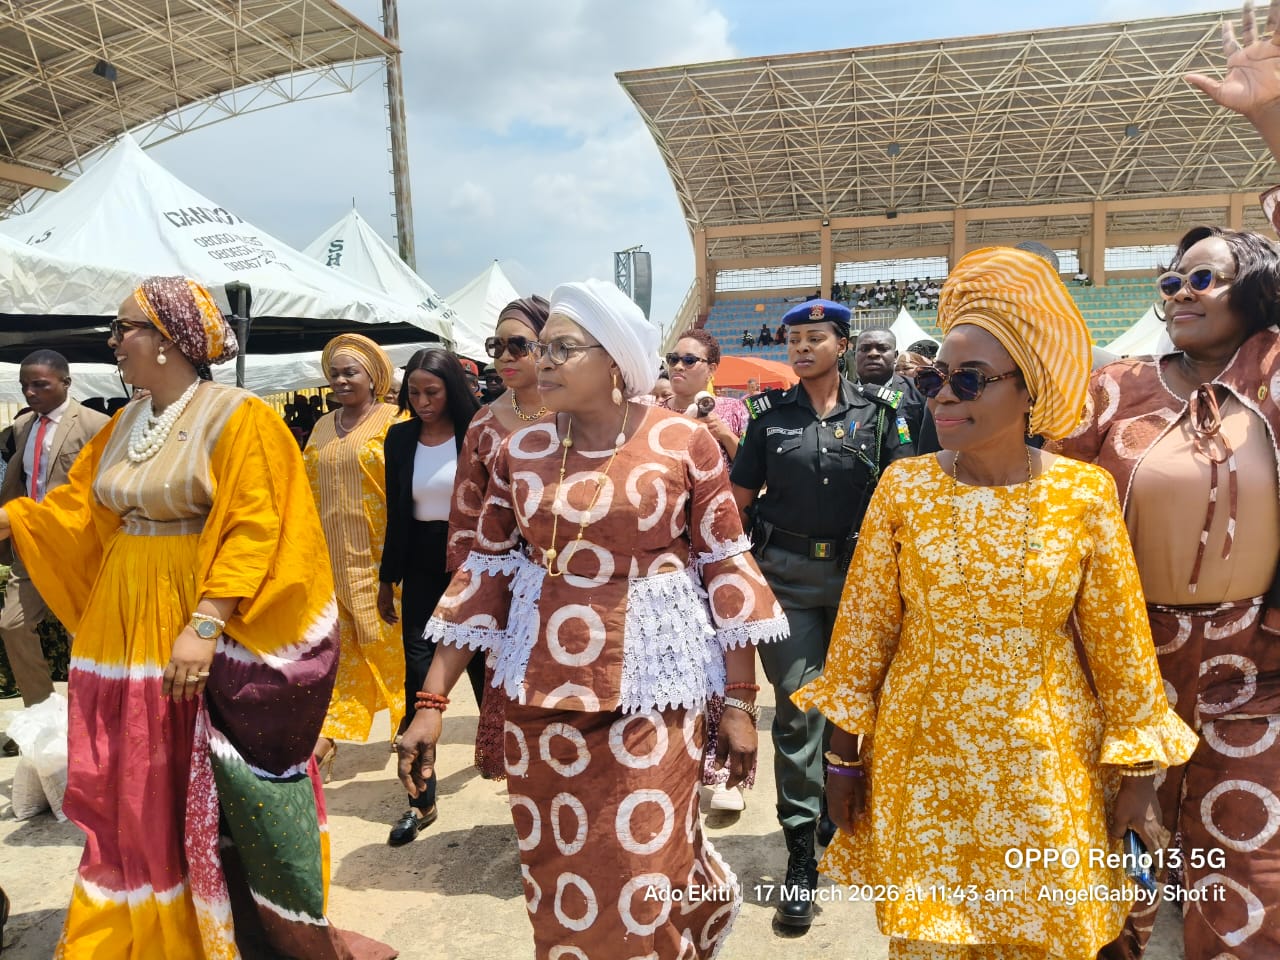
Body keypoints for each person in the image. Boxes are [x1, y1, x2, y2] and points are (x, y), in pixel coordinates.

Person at [795, 247, 1197, 960]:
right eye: (935, 379)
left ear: (1029, 390)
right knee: (934, 940)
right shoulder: (905, 490)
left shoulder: (1082, 494)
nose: (943, 397)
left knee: (1048, 936)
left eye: (970, 380)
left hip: (1046, 760)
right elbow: (863, 636)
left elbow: (1119, 643)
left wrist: (1139, 779)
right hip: (923, 760)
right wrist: (844, 761)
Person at [0, 277, 395, 959]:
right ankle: (152, 908)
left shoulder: (239, 416)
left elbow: (257, 524)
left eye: (125, 328)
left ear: (167, 340)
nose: (115, 342)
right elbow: (81, 509)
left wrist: (207, 622)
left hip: (194, 611)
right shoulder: (127, 421)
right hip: (121, 620)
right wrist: (11, 519)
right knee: (136, 766)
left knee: (195, 767)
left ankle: (217, 915)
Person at [399, 279, 787, 959]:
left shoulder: (684, 441)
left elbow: (727, 566)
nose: (540, 362)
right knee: (557, 878)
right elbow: (485, 574)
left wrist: (741, 704)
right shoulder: (517, 452)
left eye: (561, 349)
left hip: (653, 697)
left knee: (642, 873)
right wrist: (431, 702)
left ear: (614, 361)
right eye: (538, 349)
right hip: (539, 703)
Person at [1054, 233, 1280, 957]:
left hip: (1256, 666)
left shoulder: (1277, 374)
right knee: (1116, 862)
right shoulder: (1115, 386)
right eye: (1172, 279)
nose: (1180, 292)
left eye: (1204, 278)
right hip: (1124, 665)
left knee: (1247, 867)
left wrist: (1272, 120)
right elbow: (1050, 504)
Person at [730, 298, 916, 929]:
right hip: (786, 580)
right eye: (793, 339)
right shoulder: (767, 417)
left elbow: (905, 500)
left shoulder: (882, 416)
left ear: (843, 344)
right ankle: (801, 854)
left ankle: (864, 822)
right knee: (798, 709)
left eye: (815, 337)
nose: (801, 347)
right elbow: (737, 502)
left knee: (874, 704)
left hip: (865, 579)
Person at [377, 348, 483, 847]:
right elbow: (397, 513)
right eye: (414, 392)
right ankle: (420, 799)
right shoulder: (399, 439)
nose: (422, 402)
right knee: (419, 677)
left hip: (478, 566)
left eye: (432, 392)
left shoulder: (479, 432)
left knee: (489, 672)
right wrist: (385, 579)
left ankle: (510, 766)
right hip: (420, 565)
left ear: (452, 391)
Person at [449, 295, 554, 781]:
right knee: (517, 695)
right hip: (511, 585)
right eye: (497, 345)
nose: (506, 356)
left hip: (580, 574)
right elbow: (466, 512)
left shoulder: (578, 412)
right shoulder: (485, 422)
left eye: (518, 344)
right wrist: (472, 593)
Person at [656, 328, 753, 812]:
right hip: (667, 556)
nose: (678, 366)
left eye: (690, 360)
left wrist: (727, 437)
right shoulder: (652, 414)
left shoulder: (733, 410)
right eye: (673, 358)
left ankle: (724, 775)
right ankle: (681, 764)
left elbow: (754, 476)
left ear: (712, 367)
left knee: (722, 658)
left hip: (714, 548)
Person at [304, 334, 404, 777]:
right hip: (330, 560)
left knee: (393, 650)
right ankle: (325, 739)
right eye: (334, 373)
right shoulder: (323, 427)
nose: (341, 380)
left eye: (351, 372)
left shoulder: (396, 421)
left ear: (374, 376)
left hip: (384, 562)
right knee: (338, 655)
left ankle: (411, 734)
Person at [0, 351, 108, 710]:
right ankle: (41, 710)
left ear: (65, 382)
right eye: (25, 386)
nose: (30, 393)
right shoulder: (22, 426)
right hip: (29, 543)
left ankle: (87, 711)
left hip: (75, 548)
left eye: (40, 385)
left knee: (79, 632)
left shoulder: (95, 425)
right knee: (12, 625)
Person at [853, 326, 927, 445]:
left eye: (882, 348)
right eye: (865, 349)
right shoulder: (841, 397)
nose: (873, 354)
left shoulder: (919, 391)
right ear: (855, 356)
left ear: (895, 356)